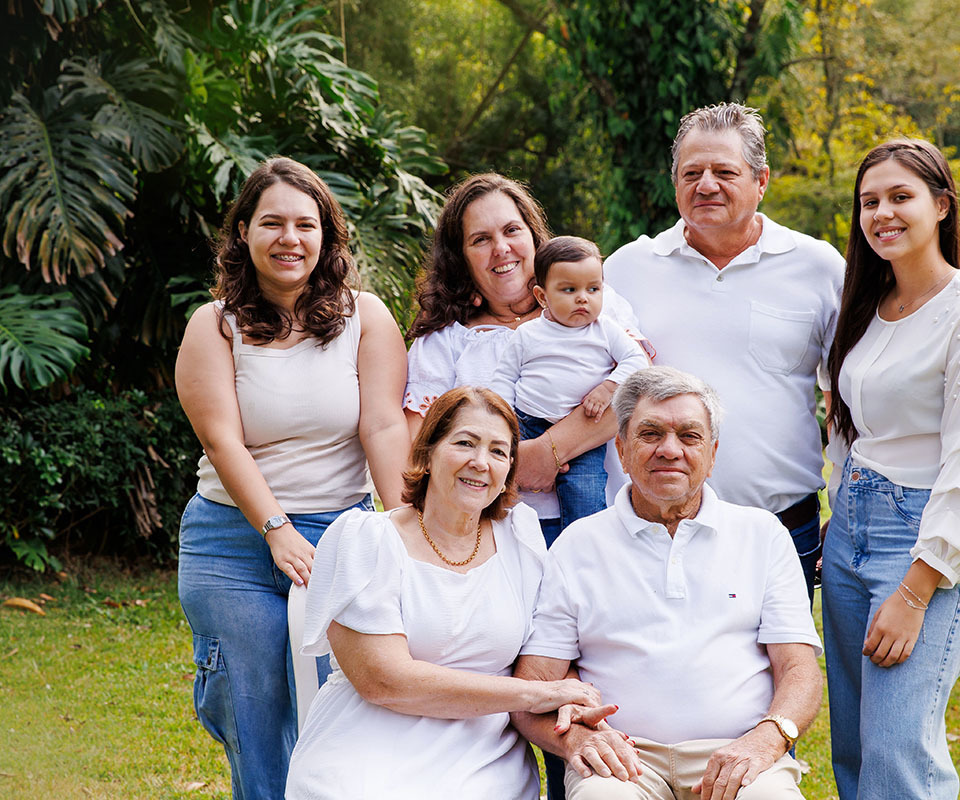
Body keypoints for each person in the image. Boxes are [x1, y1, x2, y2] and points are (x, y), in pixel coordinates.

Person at [175, 156, 410, 799]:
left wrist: (403, 529)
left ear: (326, 235)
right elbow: (222, 440)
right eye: (272, 223)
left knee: (340, 706)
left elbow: (383, 426)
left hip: (341, 535)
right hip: (233, 542)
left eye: (306, 224)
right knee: (251, 711)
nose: (290, 238)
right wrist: (275, 528)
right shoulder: (213, 324)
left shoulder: (366, 317)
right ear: (244, 232)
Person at [514, 366, 824, 800]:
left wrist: (768, 739)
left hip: (739, 752)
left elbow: (799, 669)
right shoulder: (578, 545)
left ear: (712, 454)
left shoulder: (763, 534)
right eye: (650, 434)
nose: (670, 450)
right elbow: (533, 686)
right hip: (623, 759)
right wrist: (578, 740)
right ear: (622, 450)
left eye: (689, 436)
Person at [285, 387, 606, 799]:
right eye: (465, 443)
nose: (480, 462)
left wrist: (573, 696)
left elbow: (549, 650)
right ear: (427, 453)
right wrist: (537, 694)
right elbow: (383, 681)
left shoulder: (521, 536)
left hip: (483, 757)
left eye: (498, 451)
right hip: (369, 744)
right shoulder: (367, 538)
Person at [822, 139, 960, 799]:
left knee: (897, 750)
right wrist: (839, 512)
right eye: (869, 201)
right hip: (849, 531)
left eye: (900, 197)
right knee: (855, 748)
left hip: (925, 542)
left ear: (940, 206)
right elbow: (850, 428)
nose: (882, 213)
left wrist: (915, 591)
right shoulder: (867, 306)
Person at [604, 103, 843, 599]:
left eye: (724, 172)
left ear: (761, 180)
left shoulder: (818, 267)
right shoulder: (625, 269)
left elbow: (847, 396)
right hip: (650, 529)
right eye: (691, 173)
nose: (706, 185)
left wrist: (844, 504)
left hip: (780, 528)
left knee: (779, 652)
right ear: (675, 184)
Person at [404, 173, 642, 546]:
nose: (501, 248)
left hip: (601, 520)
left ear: (533, 236)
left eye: (512, 230)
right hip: (492, 535)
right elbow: (422, 448)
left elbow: (639, 391)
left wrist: (546, 453)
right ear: (461, 258)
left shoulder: (594, 304)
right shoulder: (443, 342)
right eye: (480, 239)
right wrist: (512, 460)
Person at [491, 235, 650, 530]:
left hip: (583, 432)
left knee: (585, 494)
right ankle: (506, 533)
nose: (583, 298)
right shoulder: (528, 334)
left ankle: (582, 546)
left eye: (593, 289)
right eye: (569, 290)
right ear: (542, 297)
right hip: (527, 421)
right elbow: (504, 378)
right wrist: (502, 419)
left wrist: (608, 387)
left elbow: (637, 360)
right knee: (507, 485)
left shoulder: (605, 330)